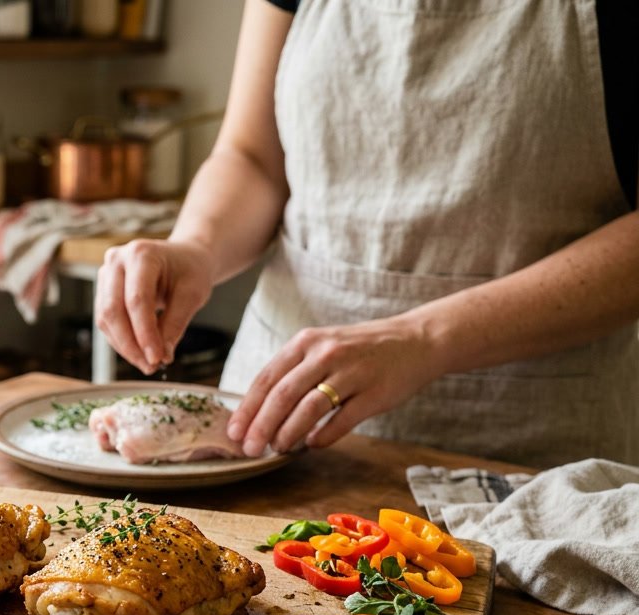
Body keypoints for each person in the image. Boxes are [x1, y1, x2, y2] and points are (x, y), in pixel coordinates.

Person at [94, 0, 639, 469]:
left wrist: (425, 337)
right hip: (276, 438)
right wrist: (196, 247)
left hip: (533, 444)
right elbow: (254, 157)